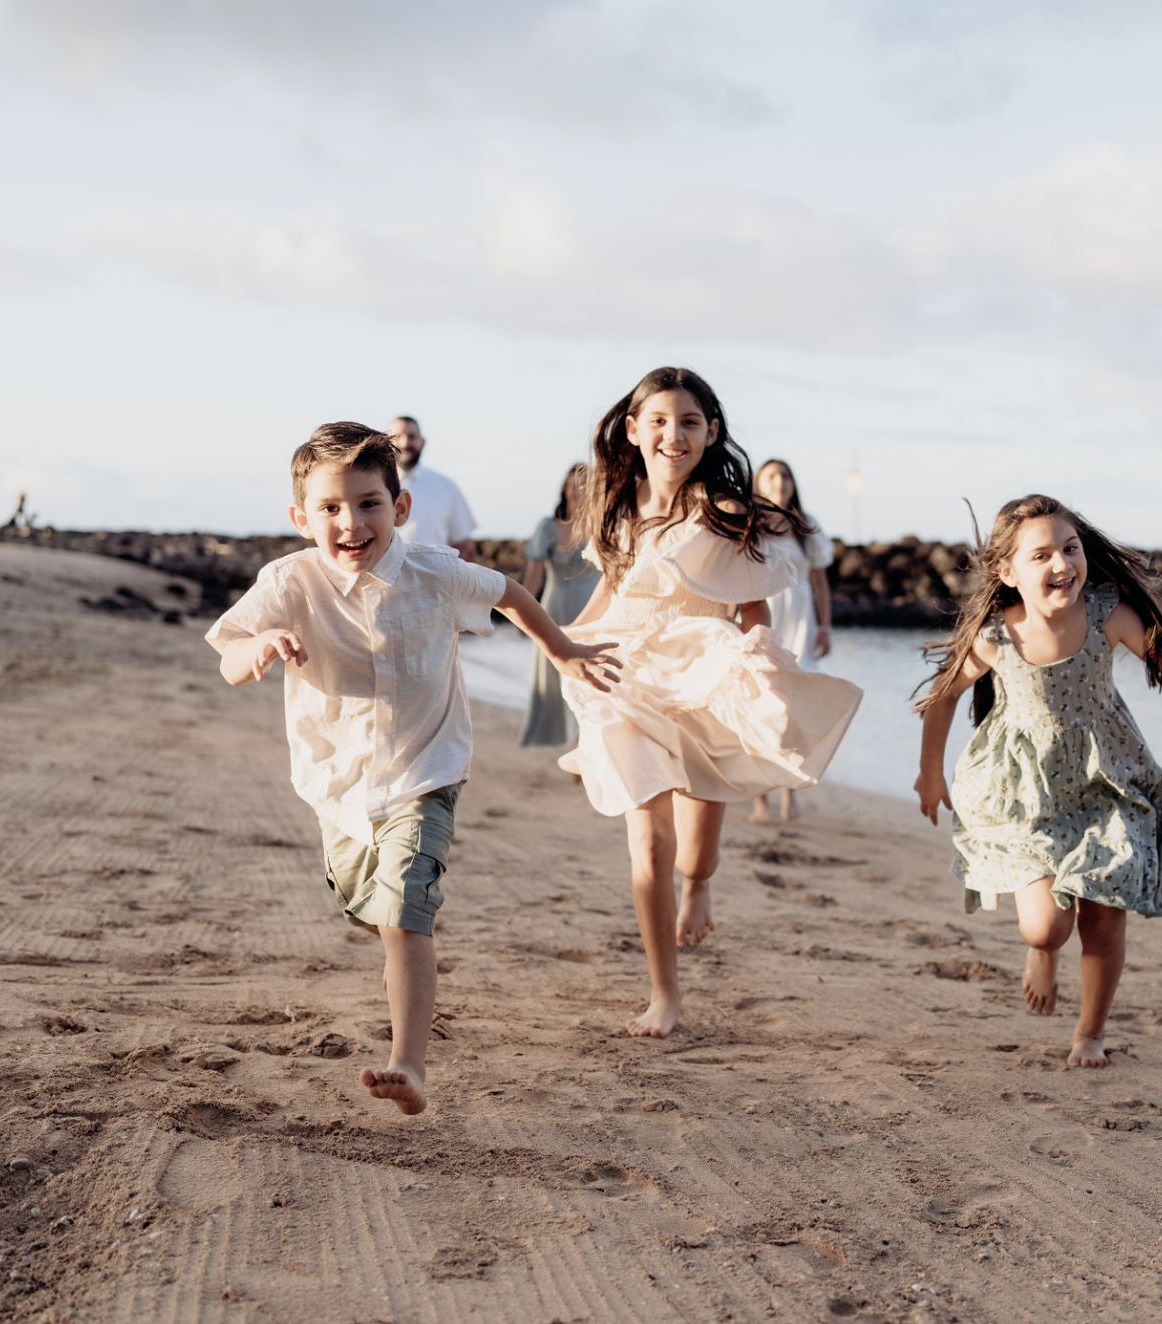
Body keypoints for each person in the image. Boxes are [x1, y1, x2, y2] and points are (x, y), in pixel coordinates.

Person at [205, 423, 619, 1116]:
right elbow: (228, 656)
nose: (351, 522)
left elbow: (511, 593)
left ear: (399, 509)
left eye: (369, 504)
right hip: (336, 781)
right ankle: (403, 946)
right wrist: (260, 649)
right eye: (331, 508)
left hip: (426, 767)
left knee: (403, 912)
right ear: (301, 518)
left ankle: (409, 1063)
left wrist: (563, 650)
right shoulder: (290, 580)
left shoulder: (434, 570)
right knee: (367, 907)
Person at [558, 367, 863, 1039]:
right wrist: (565, 644)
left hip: (698, 674)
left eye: (690, 422)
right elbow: (611, 594)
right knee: (649, 838)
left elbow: (753, 605)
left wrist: (760, 664)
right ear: (633, 430)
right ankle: (664, 994)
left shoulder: (722, 511)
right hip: (623, 676)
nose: (674, 434)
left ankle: (698, 884)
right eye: (659, 421)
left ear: (711, 432)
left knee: (694, 856)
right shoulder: (614, 505)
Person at [913, 493, 1162, 1070]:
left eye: (1070, 548)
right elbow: (943, 697)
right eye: (1042, 554)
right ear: (1008, 572)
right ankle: (1043, 953)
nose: (1062, 564)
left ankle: (1090, 1034)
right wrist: (930, 773)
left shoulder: (1107, 615)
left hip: (1108, 783)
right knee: (1045, 926)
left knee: (1103, 915)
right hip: (1026, 791)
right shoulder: (996, 637)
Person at [750, 458, 836, 824]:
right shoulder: (750, 523)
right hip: (765, 617)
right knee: (761, 707)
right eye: (771, 475)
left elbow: (819, 582)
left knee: (794, 712)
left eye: (785, 475)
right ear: (759, 483)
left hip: (801, 620)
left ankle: (789, 795)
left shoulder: (807, 526)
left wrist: (826, 627)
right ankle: (760, 800)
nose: (779, 481)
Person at [520, 463, 601, 746]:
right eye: (573, 484)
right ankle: (564, 738)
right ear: (564, 488)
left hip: (595, 611)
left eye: (587, 485)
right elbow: (534, 575)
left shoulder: (604, 527)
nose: (579, 490)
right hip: (555, 611)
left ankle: (584, 741)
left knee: (592, 676)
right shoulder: (548, 527)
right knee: (555, 679)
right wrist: (523, 615)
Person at [388, 415, 478, 561]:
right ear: (387, 442)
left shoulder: (446, 486)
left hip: (434, 581)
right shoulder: (372, 487)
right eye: (397, 437)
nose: (405, 443)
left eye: (411, 436)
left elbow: (464, 546)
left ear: (422, 442)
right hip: (383, 581)